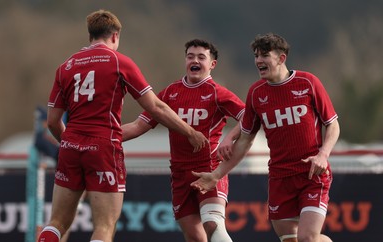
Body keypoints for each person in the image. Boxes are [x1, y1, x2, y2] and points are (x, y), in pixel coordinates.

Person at [37, 10, 208, 242]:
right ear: (115, 36)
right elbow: (155, 107)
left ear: (90, 35)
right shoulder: (120, 62)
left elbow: (52, 121)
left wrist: (68, 143)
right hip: (104, 148)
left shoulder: (66, 67)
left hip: (70, 146)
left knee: (56, 223)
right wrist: (189, 132)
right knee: (105, 227)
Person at [191, 33, 340, 242]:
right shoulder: (255, 93)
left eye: (265, 55)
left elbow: (332, 124)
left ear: (281, 58)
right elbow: (244, 140)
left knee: (308, 238)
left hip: (311, 174)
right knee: (291, 240)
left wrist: (323, 154)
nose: (258, 60)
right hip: (280, 178)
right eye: (256, 56)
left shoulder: (307, 82)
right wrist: (216, 175)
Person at [122, 39, 245, 242]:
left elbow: (249, 118)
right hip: (179, 174)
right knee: (195, 237)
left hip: (209, 168)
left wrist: (230, 138)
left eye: (201, 57)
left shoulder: (217, 93)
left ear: (212, 64)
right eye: (190, 56)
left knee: (212, 223)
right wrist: (104, 137)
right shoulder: (170, 93)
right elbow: (137, 126)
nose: (194, 61)